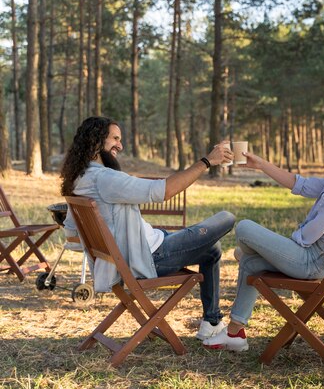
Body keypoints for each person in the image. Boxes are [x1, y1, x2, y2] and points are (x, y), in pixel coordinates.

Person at [204, 118, 324, 351]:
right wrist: (261, 164)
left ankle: (246, 260)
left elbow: (316, 230)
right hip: (316, 258)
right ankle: (235, 332)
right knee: (250, 263)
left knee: (243, 227)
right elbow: (302, 185)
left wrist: (286, 246)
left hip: (311, 261)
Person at [60, 116, 236, 340]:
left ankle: (211, 322)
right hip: (147, 258)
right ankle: (211, 322)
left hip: (129, 255)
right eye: (114, 138)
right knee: (226, 218)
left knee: (212, 249)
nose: (120, 146)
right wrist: (207, 162)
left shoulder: (79, 178)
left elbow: (70, 232)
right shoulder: (106, 179)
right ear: (96, 140)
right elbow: (163, 191)